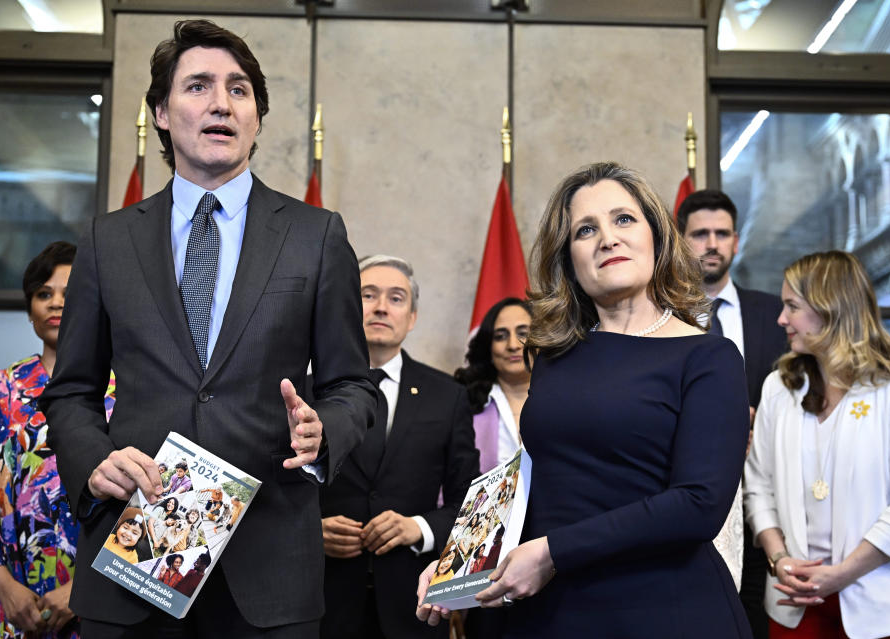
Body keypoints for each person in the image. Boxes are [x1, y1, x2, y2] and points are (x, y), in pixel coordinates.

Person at [38, 19, 376, 638]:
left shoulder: (316, 236)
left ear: (255, 117)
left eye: (239, 89)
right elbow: (70, 392)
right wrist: (92, 461)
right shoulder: (106, 240)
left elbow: (354, 385)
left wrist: (324, 429)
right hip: (134, 555)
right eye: (198, 86)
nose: (222, 102)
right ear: (162, 113)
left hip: (269, 571)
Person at [417, 162, 752, 636]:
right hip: (552, 611)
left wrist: (553, 551)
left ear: (656, 237)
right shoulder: (555, 357)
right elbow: (533, 477)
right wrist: (460, 565)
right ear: (569, 258)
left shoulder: (708, 356)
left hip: (662, 609)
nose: (607, 239)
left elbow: (698, 505)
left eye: (623, 219)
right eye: (586, 229)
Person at [0, 241, 115, 639]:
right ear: (30, 309)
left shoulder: (128, 395)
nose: (56, 304)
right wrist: (5, 588)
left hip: (100, 602)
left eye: (70, 294)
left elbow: (151, 504)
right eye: (44, 294)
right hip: (2, 603)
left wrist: (83, 590)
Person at [743, 250, 890, 639]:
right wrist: (779, 559)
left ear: (831, 309)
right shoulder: (779, 389)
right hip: (793, 605)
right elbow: (757, 487)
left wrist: (842, 574)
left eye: (792, 307)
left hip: (882, 608)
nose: (781, 319)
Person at [319, 255, 479, 639]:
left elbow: (470, 501)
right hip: (321, 601)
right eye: (368, 295)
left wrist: (419, 527)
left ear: (412, 317)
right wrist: (309, 532)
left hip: (413, 605)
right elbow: (275, 493)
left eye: (396, 298)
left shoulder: (449, 396)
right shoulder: (307, 391)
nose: (379, 307)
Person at [678, 189, 787, 635]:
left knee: (759, 616)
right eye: (700, 234)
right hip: (691, 495)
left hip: (771, 491)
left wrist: (766, 421)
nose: (711, 244)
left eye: (722, 234)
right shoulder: (659, 316)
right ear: (681, 242)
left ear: (736, 242)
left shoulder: (776, 314)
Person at [455, 298, 533, 474]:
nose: (513, 345)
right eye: (500, 336)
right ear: (488, 348)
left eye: (522, 333)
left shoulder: (566, 400)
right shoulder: (463, 404)